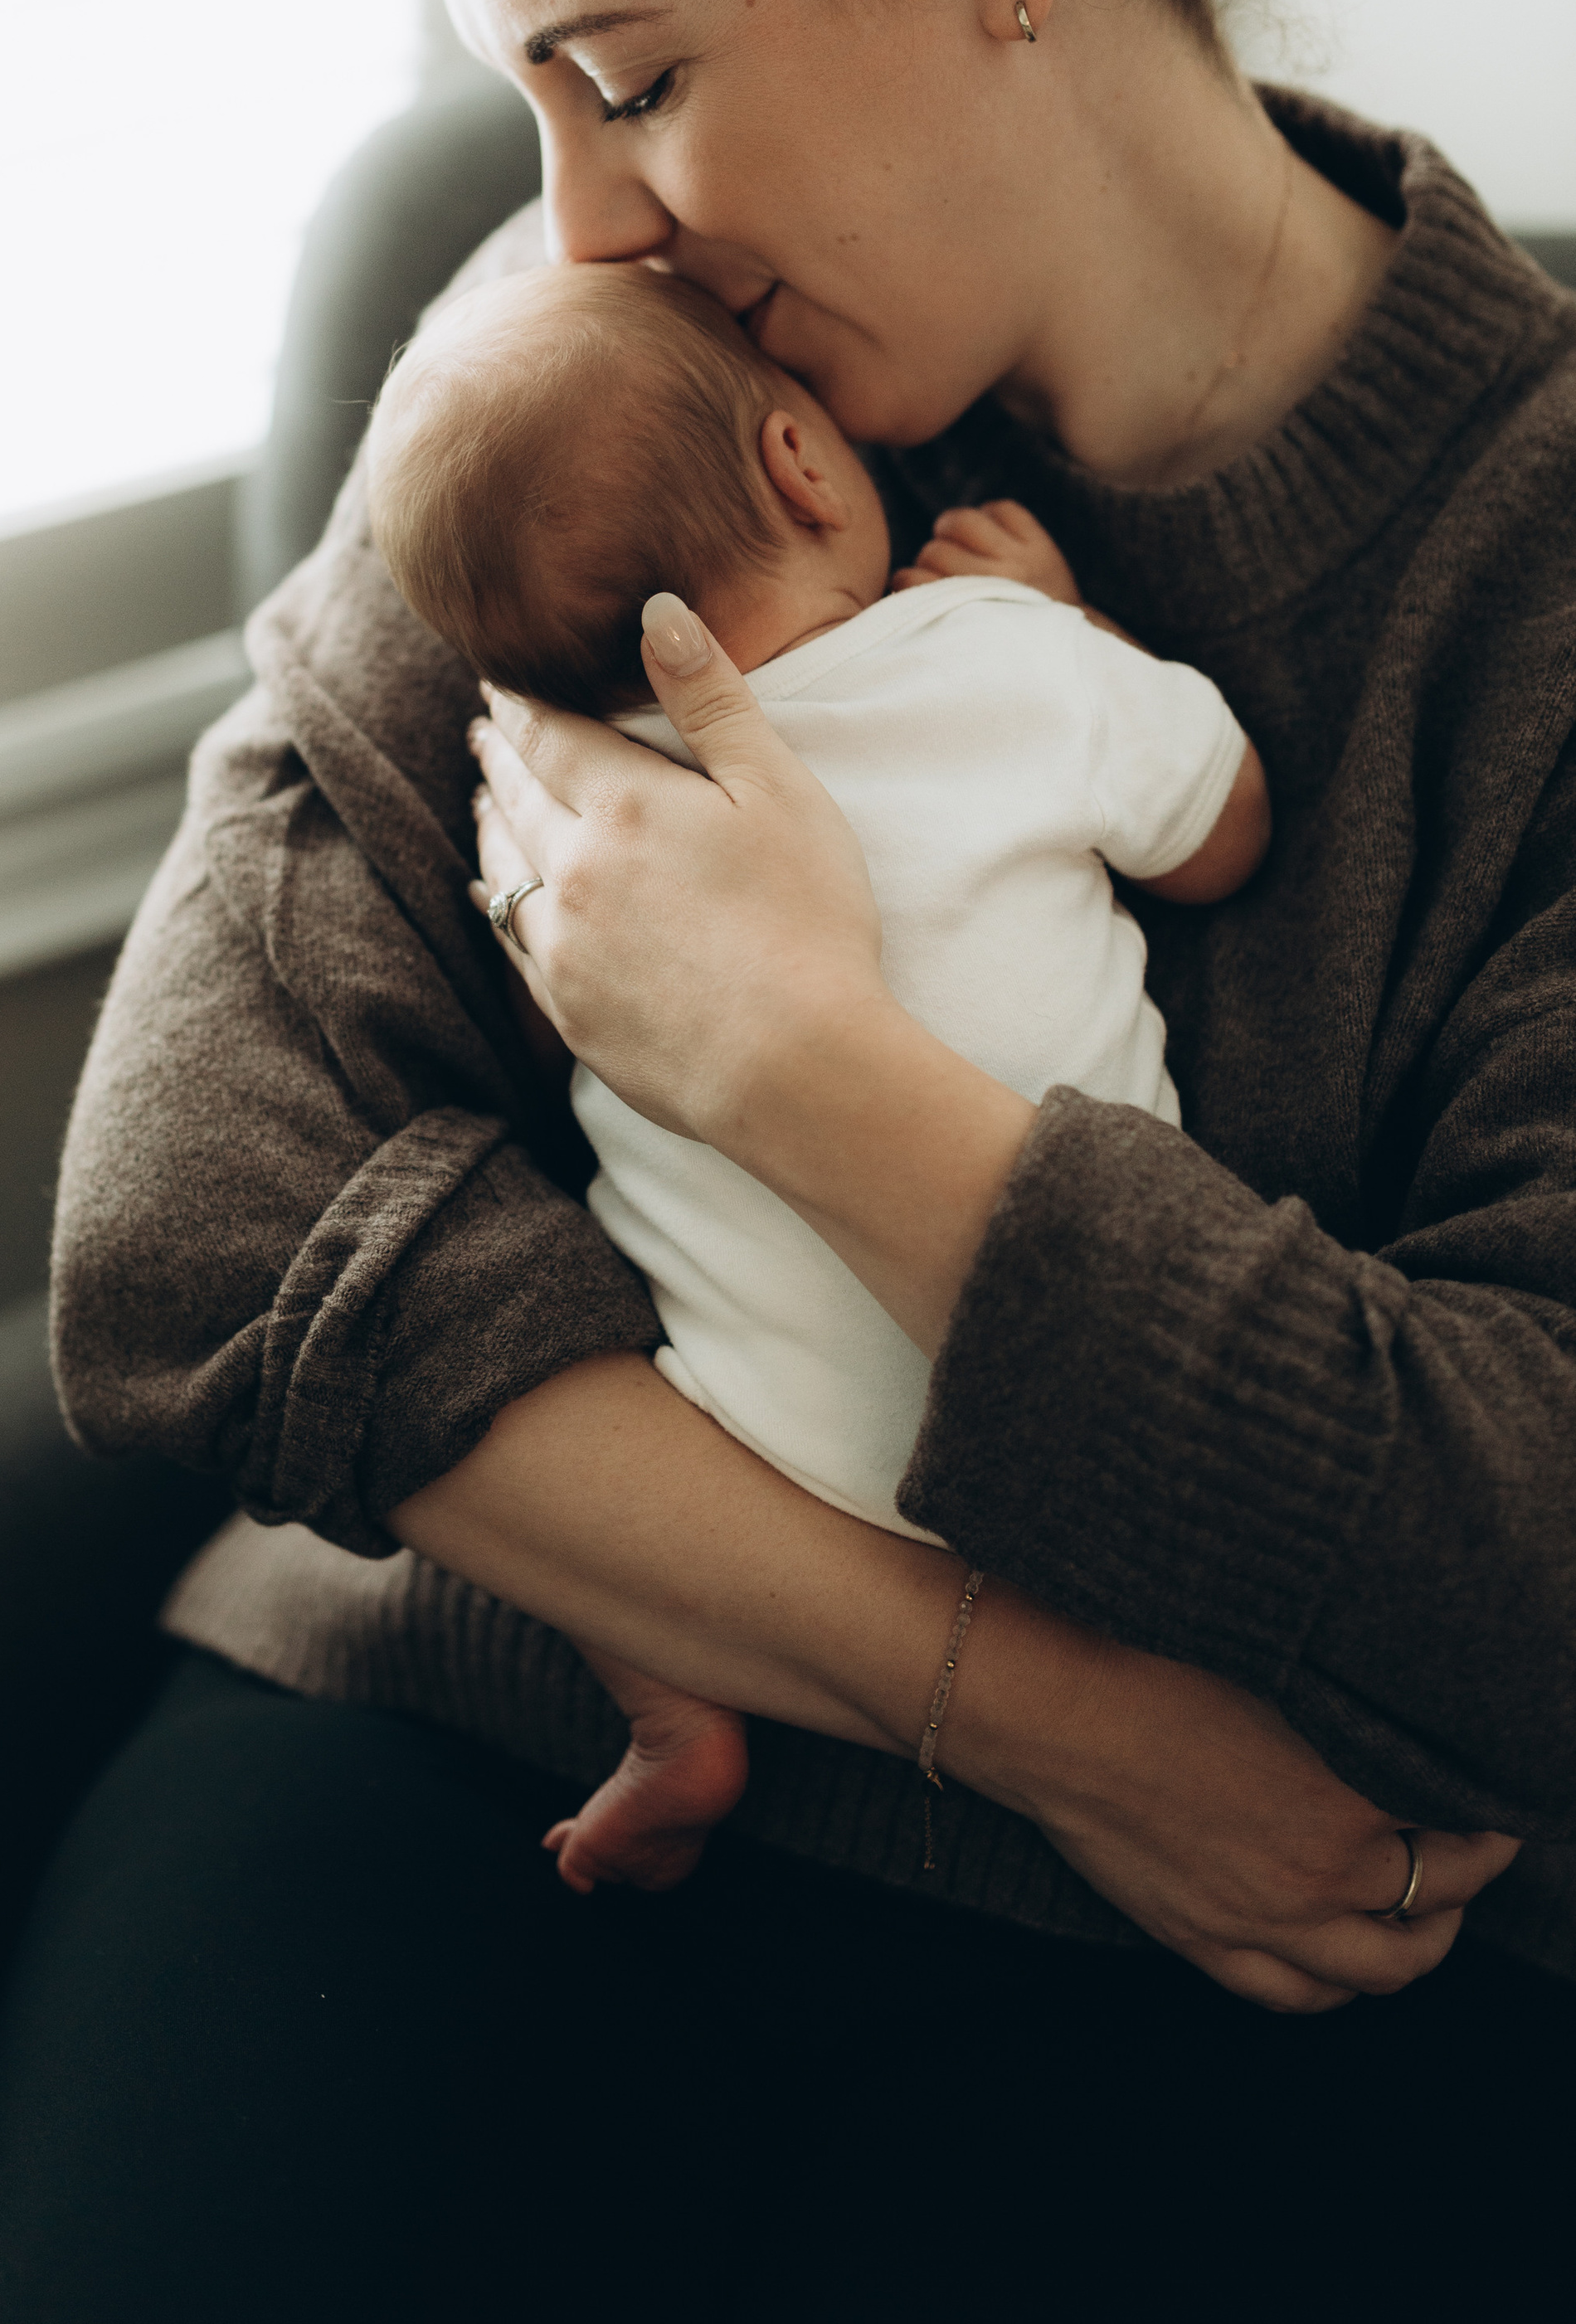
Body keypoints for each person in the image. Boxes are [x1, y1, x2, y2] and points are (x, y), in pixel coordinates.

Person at [0, 0, 1575, 2316]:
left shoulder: (1531, 570)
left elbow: (1523, 1542)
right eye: (537, 102)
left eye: (632, 75)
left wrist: (824, 1084)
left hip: (1222, 1997)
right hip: (467, 1754)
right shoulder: (605, 396)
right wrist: (1041, 1705)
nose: (571, 225)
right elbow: (183, 1215)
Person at [366, 255, 1267, 1892]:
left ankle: (668, 1712)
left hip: (749, 1477)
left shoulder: (576, 833)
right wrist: (1076, 624)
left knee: (616, 1470)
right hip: (1083, 1377)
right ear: (799, 460)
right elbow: (1219, 836)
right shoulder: (990, 655)